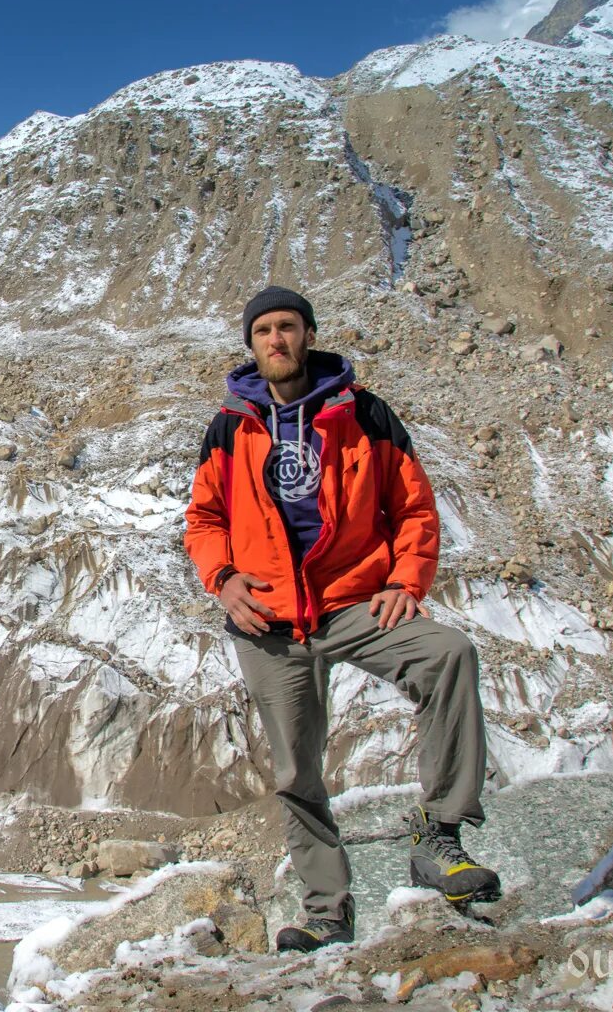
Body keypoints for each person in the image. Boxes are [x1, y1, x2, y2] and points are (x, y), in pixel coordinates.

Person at [182, 285, 499, 952]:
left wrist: (408, 580)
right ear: (251, 343)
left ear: (309, 334)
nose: (276, 339)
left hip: (353, 601)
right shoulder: (229, 426)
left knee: (447, 655)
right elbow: (205, 518)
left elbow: (413, 507)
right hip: (268, 615)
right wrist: (222, 577)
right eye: (264, 329)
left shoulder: (365, 414)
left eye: (288, 327)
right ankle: (327, 912)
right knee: (297, 771)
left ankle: (440, 834)